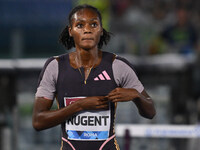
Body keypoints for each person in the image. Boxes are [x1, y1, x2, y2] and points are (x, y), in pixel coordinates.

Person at [32, 4, 156, 150]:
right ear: (70, 31)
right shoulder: (55, 67)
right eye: (80, 25)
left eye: (93, 24)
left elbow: (150, 112)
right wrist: (79, 105)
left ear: (101, 31)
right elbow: (38, 121)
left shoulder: (118, 66)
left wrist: (136, 96)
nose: (87, 29)